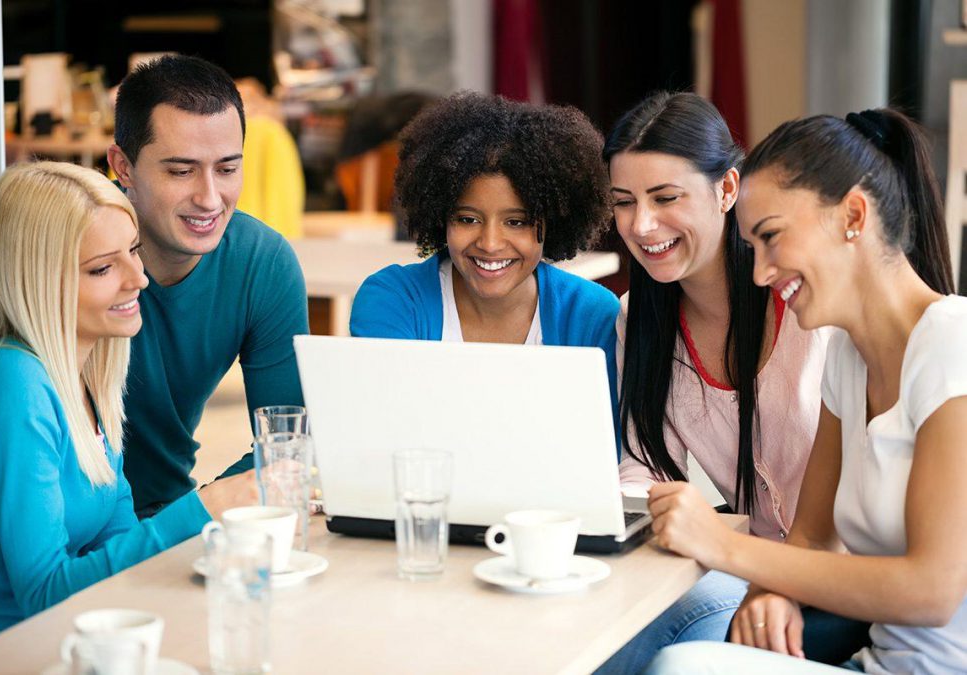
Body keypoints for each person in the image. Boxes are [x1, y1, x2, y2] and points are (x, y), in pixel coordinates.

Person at [643, 108, 966, 674]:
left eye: (770, 238)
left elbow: (932, 590)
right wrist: (775, 591)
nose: (761, 272)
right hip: (875, 661)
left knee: (682, 667)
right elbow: (813, 538)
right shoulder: (847, 356)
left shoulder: (951, 345)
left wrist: (725, 546)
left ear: (853, 216)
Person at [596, 92, 846, 674]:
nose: (641, 226)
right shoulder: (639, 317)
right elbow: (642, 464)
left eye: (666, 198)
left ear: (728, 189)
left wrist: (774, 577)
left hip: (838, 585)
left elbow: (858, 499)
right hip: (742, 574)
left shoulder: (808, 307)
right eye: (624, 202)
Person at [0, 162, 239, 652]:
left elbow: (120, 543)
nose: (139, 279)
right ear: (40, 281)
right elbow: (43, 594)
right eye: (103, 268)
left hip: (65, 644)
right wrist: (202, 511)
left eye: (134, 251)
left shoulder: (87, 379)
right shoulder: (11, 383)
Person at [105, 55, 309, 518]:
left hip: (168, 513)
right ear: (124, 166)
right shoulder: (67, 251)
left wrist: (198, 512)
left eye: (227, 168)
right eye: (181, 171)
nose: (210, 198)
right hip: (68, 533)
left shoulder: (262, 263)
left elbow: (285, 446)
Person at [349, 92, 620, 424]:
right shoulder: (394, 301)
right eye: (467, 219)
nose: (490, 244)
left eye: (516, 222)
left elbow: (608, 453)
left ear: (553, 222)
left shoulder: (592, 315)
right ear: (440, 216)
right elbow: (378, 430)